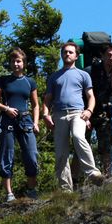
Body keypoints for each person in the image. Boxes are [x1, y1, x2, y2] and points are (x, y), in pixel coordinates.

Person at [43, 41, 103, 190]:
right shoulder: (54, 77)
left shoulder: (83, 74)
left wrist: (89, 111)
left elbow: (91, 96)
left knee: (78, 136)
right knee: (61, 152)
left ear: (76, 56)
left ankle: (92, 172)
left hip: (78, 113)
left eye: (70, 52)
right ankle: (65, 189)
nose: (67, 54)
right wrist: (45, 115)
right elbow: (47, 99)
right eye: (65, 52)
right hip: (59, 114)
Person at [0, 48, 40, 202]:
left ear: (24, 63)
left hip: (26, 121)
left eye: (18, 61)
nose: (16, 64)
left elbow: (36, 104)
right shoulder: (3, 80)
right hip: (7, 122)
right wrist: (6, 108)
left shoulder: (29, 82)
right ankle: (9, 194)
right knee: (7, 156)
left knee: (32, 155)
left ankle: (31, 190)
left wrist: (36, 123)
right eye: (13, 61)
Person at [83, 42, 112, 176]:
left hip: (105, 116)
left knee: (107, 148)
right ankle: (77, 180)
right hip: (86, 114)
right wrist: (83, 114)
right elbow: (80, 94)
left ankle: (107, 177)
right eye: (109, 55)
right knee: (82, 146)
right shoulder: (90, 71)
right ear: (102, 55)